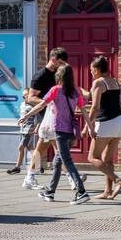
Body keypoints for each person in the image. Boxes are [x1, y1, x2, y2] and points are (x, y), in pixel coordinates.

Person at [18, 62, 90, 205]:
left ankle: (81, 192)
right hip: (71, 132)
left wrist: (26, 116)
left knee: (67, 161)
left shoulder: (56, 89)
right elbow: (83, 111)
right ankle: (50, 192)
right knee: (57, 163)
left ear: (59, 76)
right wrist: (90, 128)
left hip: (60, 131)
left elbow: (41, 104)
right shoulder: (76, 91)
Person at [20, 48, 68, 189]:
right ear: (53, 59)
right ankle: (71, 175)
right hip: (45, 116)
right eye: (60, 62)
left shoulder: (60, 74)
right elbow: (31, 97)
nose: (62, 65)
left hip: (56, 115)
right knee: (57, 146)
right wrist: (48, 102)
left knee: (45, 148)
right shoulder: (40, 76)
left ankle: (30, 176)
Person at [85, 55, 121, 200]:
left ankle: (118, 180)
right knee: (107, 159)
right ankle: (108, 191)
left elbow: (95, 107)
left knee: (92, 157)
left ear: (97, 70)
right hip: (119, 122)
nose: (91, 72)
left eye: (92, 70)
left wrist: (87, 126)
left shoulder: (98, 82)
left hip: (105, 123)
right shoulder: (115, 82)